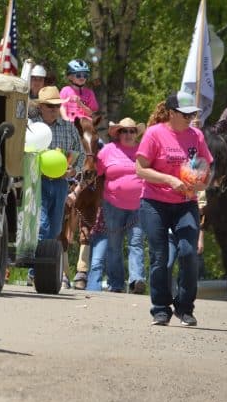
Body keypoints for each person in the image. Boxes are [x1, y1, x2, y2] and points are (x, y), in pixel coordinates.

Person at [135, 91, 212, 326]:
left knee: (189, 253)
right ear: (171, 113)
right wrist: (169, 180)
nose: (190, 118)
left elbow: (206, 168)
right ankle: (160, 308)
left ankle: (185, 308)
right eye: (185, 114)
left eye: (192, 114)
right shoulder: (154, 134)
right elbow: (140, 169)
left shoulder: (196, 136)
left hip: (185, 204)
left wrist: (201, 182)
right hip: (154, 203)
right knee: (160, 256)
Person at [28, 86, 84, 285]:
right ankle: (36, 270)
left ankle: (41, 270)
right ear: (41, 107)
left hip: (60, 183)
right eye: (49, 106)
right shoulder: (31, 127)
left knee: (55, 228)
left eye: (56, 106)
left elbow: (80, 153)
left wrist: (74, 171)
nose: (54, 110)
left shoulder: (69, 128)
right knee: (42, 225)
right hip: (37, 181)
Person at [87, 117, 145, 293]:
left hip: (139, 205)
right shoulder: (108, 150)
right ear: (118, 133)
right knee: (114, 244)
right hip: (113, 205)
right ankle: (116, 283)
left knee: (136, 243)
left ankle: (136, 280)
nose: (128, 134)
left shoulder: (143, 150)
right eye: (124, 131)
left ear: (136, 134)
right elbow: (95, 173)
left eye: (132, 131)